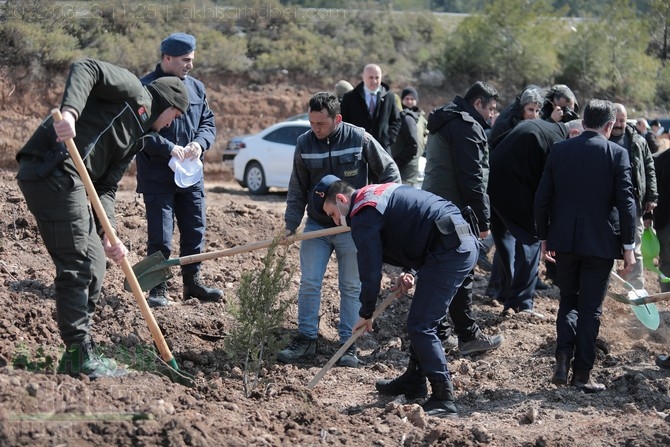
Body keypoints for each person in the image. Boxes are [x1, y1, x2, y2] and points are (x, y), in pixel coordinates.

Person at [15, 58, 189, 379]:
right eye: (174, 116)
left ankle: (80, 352)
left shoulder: (137, 139)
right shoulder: (134, 91)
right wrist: (70, 112)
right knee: (78, 262)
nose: (170, 124)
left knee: (95, 263)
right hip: (53, 166)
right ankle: (78, 355)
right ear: (167, 104)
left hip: (77, 182)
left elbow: (106, 185)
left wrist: (109, 232)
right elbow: (87, 68)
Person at [314, 175, 478, 418]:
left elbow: (369, 273)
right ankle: (414, 380)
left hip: (450, 251)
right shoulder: (375, 193)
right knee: (421, 321)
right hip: (452, 241)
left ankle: (445, 399)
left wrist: (365, 313)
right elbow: (414, 224)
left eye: (332, 213)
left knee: (421, 326)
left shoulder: (362, 213)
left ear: (340, 199)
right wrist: (409, 272)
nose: (335, 220)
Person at [278, 92, 400, 367]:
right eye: (311, 123)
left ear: (338, 119)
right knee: (309, 283)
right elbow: (297, 188)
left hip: (352, 228)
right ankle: (306, 339)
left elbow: (389, 172)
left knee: (350, 285)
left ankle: (348, 344)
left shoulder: (359, 138)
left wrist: (378, 210)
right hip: (317, 226)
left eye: (320, 124)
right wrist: (290, 225)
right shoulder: (304, 144)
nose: (315, 129)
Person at [534, 99, 636, 393]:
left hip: (564, 241)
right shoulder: (617, 154)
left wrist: (544, 236)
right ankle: (582, 374)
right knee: (590, 309)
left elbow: (542, 198)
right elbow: (626, 203)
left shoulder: (560, 150)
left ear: (584, 121)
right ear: (608, 125)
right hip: (601, 243)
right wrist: (628, 245)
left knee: (568, 300)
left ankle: (562, 360)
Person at [135, 33, 222, 308]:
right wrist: (168, 147)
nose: (190, 65)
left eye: (192, 60)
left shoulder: (196, 88)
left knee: (195, 229)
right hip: (157, 175)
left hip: (190, 175)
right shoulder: (144, 88)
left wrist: (199, 143)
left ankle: (192, 283)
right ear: (167, 58)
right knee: (160, 235)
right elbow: (139, 133)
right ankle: (158, 288)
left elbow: (208, 122)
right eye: (185, 60)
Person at [421, 81, 504, 355]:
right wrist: (482, 219)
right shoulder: (465, 125)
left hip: (434, 206)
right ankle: (468, 336)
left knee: (438, 271)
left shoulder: (446, 117)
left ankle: (443, 333)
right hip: (454, 212)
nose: (492, 115)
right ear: (477, 103)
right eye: (490, 108)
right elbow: (472, 178)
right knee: (462, 272)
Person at [489, 118, 582, 318]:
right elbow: (550, 189)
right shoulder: (557, 143)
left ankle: (506, 293)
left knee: (505, 243)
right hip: (513, 189)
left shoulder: (540, 125)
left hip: (491, 184)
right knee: (532, 242)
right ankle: (522, 303)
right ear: (574, 133)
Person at [608, 103, 657, 290]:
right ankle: (609, 286)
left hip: (632, 201)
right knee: (608, 245)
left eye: (623, 120)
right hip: (607, 203)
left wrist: (651, 196)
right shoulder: (602, 138)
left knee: (635, 245)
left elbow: (649, 168)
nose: (619, 124)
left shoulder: (637, 140)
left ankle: (636, 288)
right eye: (616, 120)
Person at [340, 64, 401, 153]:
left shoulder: (389, 97)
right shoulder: (350, 97)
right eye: (371, 78)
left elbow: (396, 120)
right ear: (363, 77)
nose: (374, 81)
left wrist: (387, 138)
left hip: (382, 150)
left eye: (377, 78)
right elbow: (343, 122)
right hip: (357, 149)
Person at [653, 145, 670, 369]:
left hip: (666, 224)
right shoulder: (660, 160)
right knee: (667, 267)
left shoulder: (660, 159)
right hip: (666, 224)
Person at [390, 87, 425, 187]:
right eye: (407, 98)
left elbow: (414, 145)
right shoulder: (402, 116)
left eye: (412, 98)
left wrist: (396, 164)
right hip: (407, 171)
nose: (409, 101)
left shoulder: (412, 117)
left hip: (407, 171)